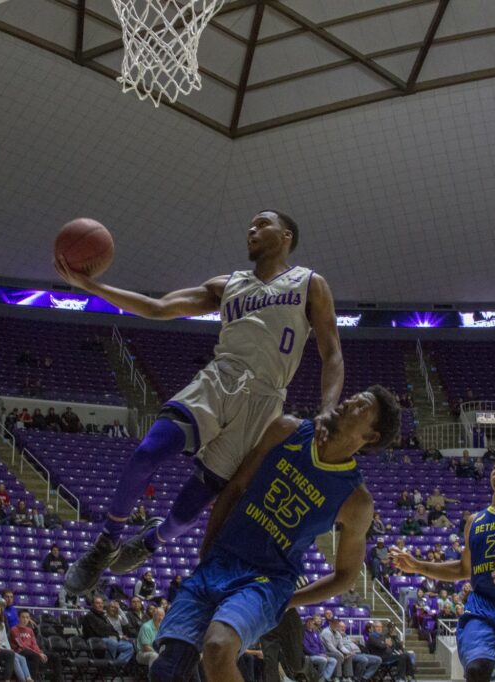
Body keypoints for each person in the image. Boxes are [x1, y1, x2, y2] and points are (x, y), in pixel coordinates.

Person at [59, 210, 345, 594]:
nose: (252, 229)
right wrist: (93, 287)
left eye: (263, 224)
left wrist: (328, 410)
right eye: (250, 224)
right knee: (147, 453)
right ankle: (106, 541)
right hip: (217, 381)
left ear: (287, 235)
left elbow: (332, 353)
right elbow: (158, 307)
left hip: (264, 403)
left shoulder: (310, 283)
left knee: (190, 511)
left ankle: (151, 542)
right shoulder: (227, 285)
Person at [148, 387, 400, 682]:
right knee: (166, 670)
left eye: (362, 406)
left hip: (266, 580)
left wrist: (288, 600)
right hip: (221, 559)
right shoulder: (287, 429)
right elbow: (236, 486)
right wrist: (207, 550)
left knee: (218, 647)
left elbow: (346, 576)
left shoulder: (356, 500)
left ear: (371, 436)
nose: (349, 401)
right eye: (354, 396)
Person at [390, 454, 495, 682]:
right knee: (477, 669)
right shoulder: (474, 521)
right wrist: (418, 566)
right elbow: (463, 569)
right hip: (482, 606)